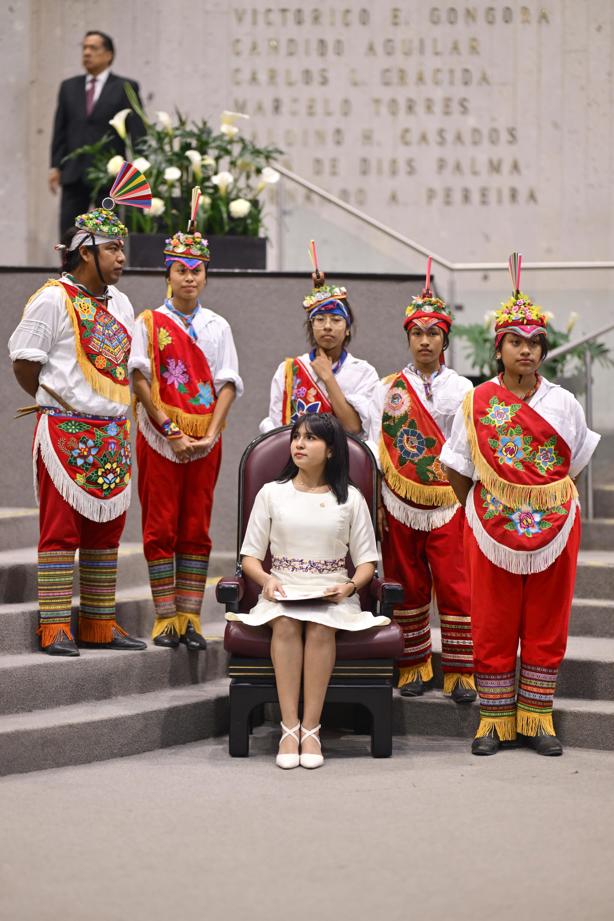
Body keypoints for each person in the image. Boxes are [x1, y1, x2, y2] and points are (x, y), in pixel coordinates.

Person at [441, 259, 600, 756]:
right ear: (499, 348)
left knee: (547, 621)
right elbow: (455, 465)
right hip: (489, 527)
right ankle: (493, 720)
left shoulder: (564, 403)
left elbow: (574, 465)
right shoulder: (476, 401)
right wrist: (485, 509)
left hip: (555, 528)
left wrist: (543, 501)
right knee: (491, 617)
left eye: (534, 342)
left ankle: (536, 717)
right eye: (516, 341)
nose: (526, 350)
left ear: (543, 349)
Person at [9, 206, 146, 656]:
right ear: (84, 252)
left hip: (112, 433)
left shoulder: (122, 303)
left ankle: (99, 624)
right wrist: (57, 400)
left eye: (121, 247)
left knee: (106, 532)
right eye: (112, 248)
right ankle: (54, 627)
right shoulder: (52, 298)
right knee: (60, 530)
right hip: (65, 430)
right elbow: (25, 361)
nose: (121, 256)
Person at [227, 412, 389, 769]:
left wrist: (349, 586)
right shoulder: (272, 493)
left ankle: (311, 729)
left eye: (311, 438)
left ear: (331, 450)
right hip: (282, 589)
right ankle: (289, 728)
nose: (299, 444)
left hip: (332, 591)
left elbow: (367, 565)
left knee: (320, 626)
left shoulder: (351, 499)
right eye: (297, 437)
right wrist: (266, 580)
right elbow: (250, 558)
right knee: (285, 624)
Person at [129, 226, 242, 650]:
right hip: (161, 438)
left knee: (196, 525)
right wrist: (169, 430)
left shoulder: (218, 326)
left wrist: (211, 434)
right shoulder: (150, 322)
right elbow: (139, 378)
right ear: (168, 275)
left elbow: (227, 383)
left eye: (197, 271)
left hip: (205, 439)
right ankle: (164, 617)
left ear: (206, 276)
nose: (189, 278)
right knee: (160, 525)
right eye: (181, 270)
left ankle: (191, 616)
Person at [367, 269, 476, 701]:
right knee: (407, 583)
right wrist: (377, 501)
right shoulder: (387, 388)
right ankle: (413, 665)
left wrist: (469, 503)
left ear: (445, 340)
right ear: (408, 338)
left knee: (456, 584)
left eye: (434, 333)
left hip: (449, 501)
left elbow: (467, 450)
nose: (425, 340)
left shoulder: (464, 388)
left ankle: (461, 672)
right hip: (399, 502)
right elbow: (375, 447)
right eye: (417, 333)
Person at [259, 269, 378, 436]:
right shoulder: (288, 371)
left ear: (348, 329)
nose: (327, 326)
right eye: (320, 319)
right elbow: (280, 430)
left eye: (336, 320)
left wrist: (328, 378)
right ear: (311, 326)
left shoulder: (364, 373)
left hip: (343, 460)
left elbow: (353, 428)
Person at [49, 30, 144, 235]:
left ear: (108, 55)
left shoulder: (125, 87)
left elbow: (137, 131)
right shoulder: (68, 87)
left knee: (108, 233)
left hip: (109, 175)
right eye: (84, 48)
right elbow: (60, 129)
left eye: (93, 48)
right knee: (69, 232)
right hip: (74, 173)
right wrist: (55, 165)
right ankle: (69, 267)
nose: (86, 53)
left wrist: (140, 166)